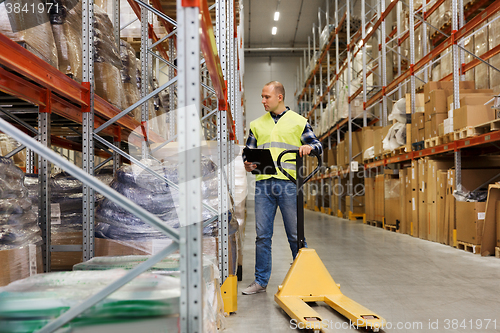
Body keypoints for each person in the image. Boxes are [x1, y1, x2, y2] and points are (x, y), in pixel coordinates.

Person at [241, 81, 322, 295]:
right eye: (262, 96)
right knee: (262, 236)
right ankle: (260, 281)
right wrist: (247, 164)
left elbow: (318, 145)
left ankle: (304, 278)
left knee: (296, 235)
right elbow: (247, 152)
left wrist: (308, 147)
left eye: (266, 97)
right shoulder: (257, 124)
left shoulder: (298, 122)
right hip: (263, 185)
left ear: (279, 97)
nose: (263, 101)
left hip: (289, 184)